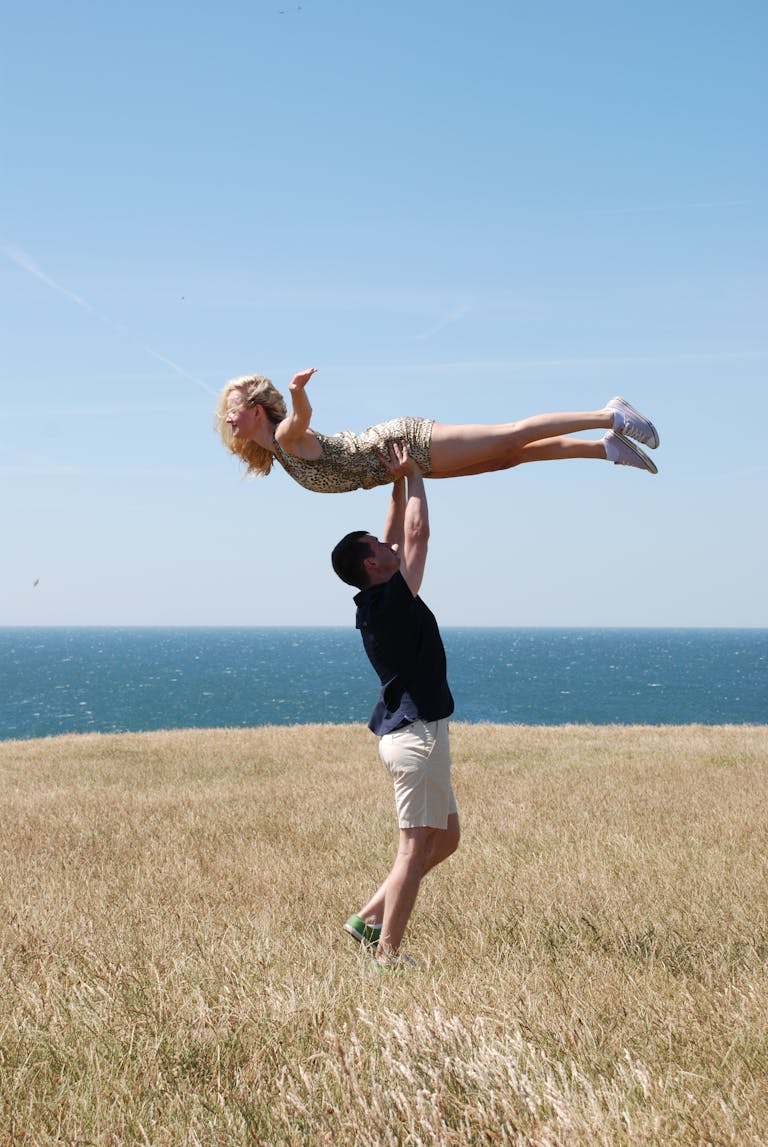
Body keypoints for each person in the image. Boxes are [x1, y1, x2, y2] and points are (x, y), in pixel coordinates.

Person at [330, 441, 460, 969]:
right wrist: (418, 475)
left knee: (445, 839)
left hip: (414, 734)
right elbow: (416, 534)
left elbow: (392, 537)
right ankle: (386, 954)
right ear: (371, 563)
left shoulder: (375, 598)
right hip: (417, 736)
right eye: (378, 547)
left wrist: (396, 483)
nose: (389, 547)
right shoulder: (392, 600)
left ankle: (366, 918)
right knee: (411, 852)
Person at [217, 367, 660, 493]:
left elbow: (302, 419)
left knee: (511, 435)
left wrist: (297, 391)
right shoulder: (277, 455)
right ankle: (605, 450)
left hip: (403, 442)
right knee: (508, 458)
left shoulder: (284, 437)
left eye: (233, 411)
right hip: (397, 467)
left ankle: (610, 416)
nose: (227, 420)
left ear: (257, 411)